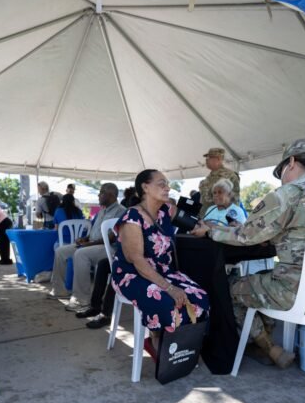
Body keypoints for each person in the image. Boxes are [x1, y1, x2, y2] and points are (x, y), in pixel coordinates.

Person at [192, 138, 305, 368]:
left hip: (301, 294)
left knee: (227, 286)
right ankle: (262, 340)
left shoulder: (290, 193)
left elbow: (246, 235)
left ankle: (268, 347)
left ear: (292, 162)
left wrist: (211, 231)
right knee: (266, 276)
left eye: (281, 171)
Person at [112, 169, 210, 357]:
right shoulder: (132, 217)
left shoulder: (166, 210)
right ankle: (155, 340)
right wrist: (170, 288)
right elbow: (137, 260)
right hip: (132, 274)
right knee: (166, 302)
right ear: (145, 187)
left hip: (163, 271)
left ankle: (177, 346)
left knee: (200, 297)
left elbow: (194, 222)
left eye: (167, 184)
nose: (167, 188)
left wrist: (206, 227)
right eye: (161, 184)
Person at [48, 183, 126, 311]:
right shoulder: (102, 210)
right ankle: (59, 290)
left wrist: (88, 244)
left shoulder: (121, 211)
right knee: (60, 251)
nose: (98, 195)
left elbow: (111, 238)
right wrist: (85, 239)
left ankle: (82, 300)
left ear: (111, 195)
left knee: (81, 254)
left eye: (101, 192)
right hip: (93, 244)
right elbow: (94, 232)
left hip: (109, 248)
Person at [197, 147, 240, 218]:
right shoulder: (209, 177)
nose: (206, 160)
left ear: (218, 159)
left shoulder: (229, 175)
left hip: (219, 220)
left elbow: (235, 200)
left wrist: (230, 220)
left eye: (209, 157)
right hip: (205, 218)